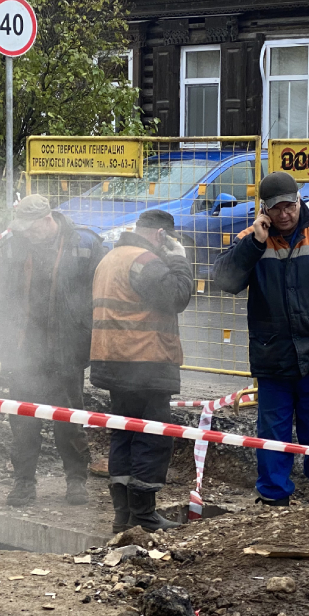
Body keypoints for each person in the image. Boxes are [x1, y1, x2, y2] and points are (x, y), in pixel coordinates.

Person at [212, 171, 309, 507]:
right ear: (264, 211)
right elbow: (225, 280)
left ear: (299, 200)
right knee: (272, 436)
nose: (284, 214)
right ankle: (273, 500)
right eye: (276, 208)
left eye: (289, 205)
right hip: (274, 359)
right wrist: (254, 243)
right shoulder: (253, 240)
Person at [0, 194, 104, 507]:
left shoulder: (83, 244)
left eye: (31, 227)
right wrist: (1, 339)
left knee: (68, 419)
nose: (26, 233)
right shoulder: (15, 246)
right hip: (23, 351)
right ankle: (24, 482)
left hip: (66, 351)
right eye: (22, 228)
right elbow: (3, 297)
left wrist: (90, 340)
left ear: (47, 219)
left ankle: (76, 481)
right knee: (24, 421)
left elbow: (98, 296)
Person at [90, 209, 194, 532]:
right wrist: (179, 261)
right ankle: (144, 516)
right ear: (162, 236)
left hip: (116, 361)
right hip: (145, 362)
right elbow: (176, 296)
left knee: (123, 434)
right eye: (170, 240)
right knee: (152, 436)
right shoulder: (145, 261)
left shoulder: (112, 258)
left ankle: (124, 516)